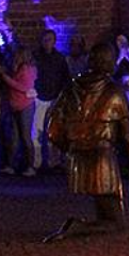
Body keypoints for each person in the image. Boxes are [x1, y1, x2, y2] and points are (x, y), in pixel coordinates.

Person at [44, 43, 129, 241]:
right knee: (116, 220)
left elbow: (53, 129)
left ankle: (84, 226)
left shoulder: (70, 89)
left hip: (78, 155)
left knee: (107, 209)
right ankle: (77, 227)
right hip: (103, 156)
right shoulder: (114, 91)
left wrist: (69, 148)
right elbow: (127, 133)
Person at [33, 29, 71, 172]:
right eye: (45, 39)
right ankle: (36, 162)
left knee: (53, 131)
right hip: (39, 97)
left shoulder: (59, 58)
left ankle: (53, 162)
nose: (47, 42)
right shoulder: (36, 56)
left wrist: (61, 97)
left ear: (54, 41)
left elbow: (65, 78)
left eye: (50, 39)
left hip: (55, 98)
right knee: (36, 131)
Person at [0, 46, 37, 176]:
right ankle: (11, 165)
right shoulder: (18, 68)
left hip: (25, 105)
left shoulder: (27, 70)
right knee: (14, 137)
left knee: (25, 136)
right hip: (15, 105)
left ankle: (30, 166)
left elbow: (23, 87)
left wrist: (5, 77)